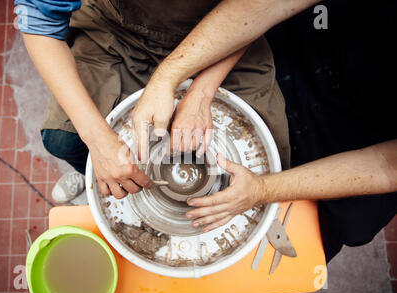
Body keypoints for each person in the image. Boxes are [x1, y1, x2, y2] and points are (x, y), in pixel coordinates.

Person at [132, 0, 397, 262]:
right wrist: (185, 86)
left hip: (366, 131)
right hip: (314, 31)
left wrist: (261, 190)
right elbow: (266, 5)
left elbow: (387, 166)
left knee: (341, 227)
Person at [15, 0, 290, 203]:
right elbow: (40, 24)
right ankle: (102, 183)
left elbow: (257, 9)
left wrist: (201, 93)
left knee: (269, 164)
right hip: (117, 29)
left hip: (221, 38)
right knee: (63, 139)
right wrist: (98, 141)